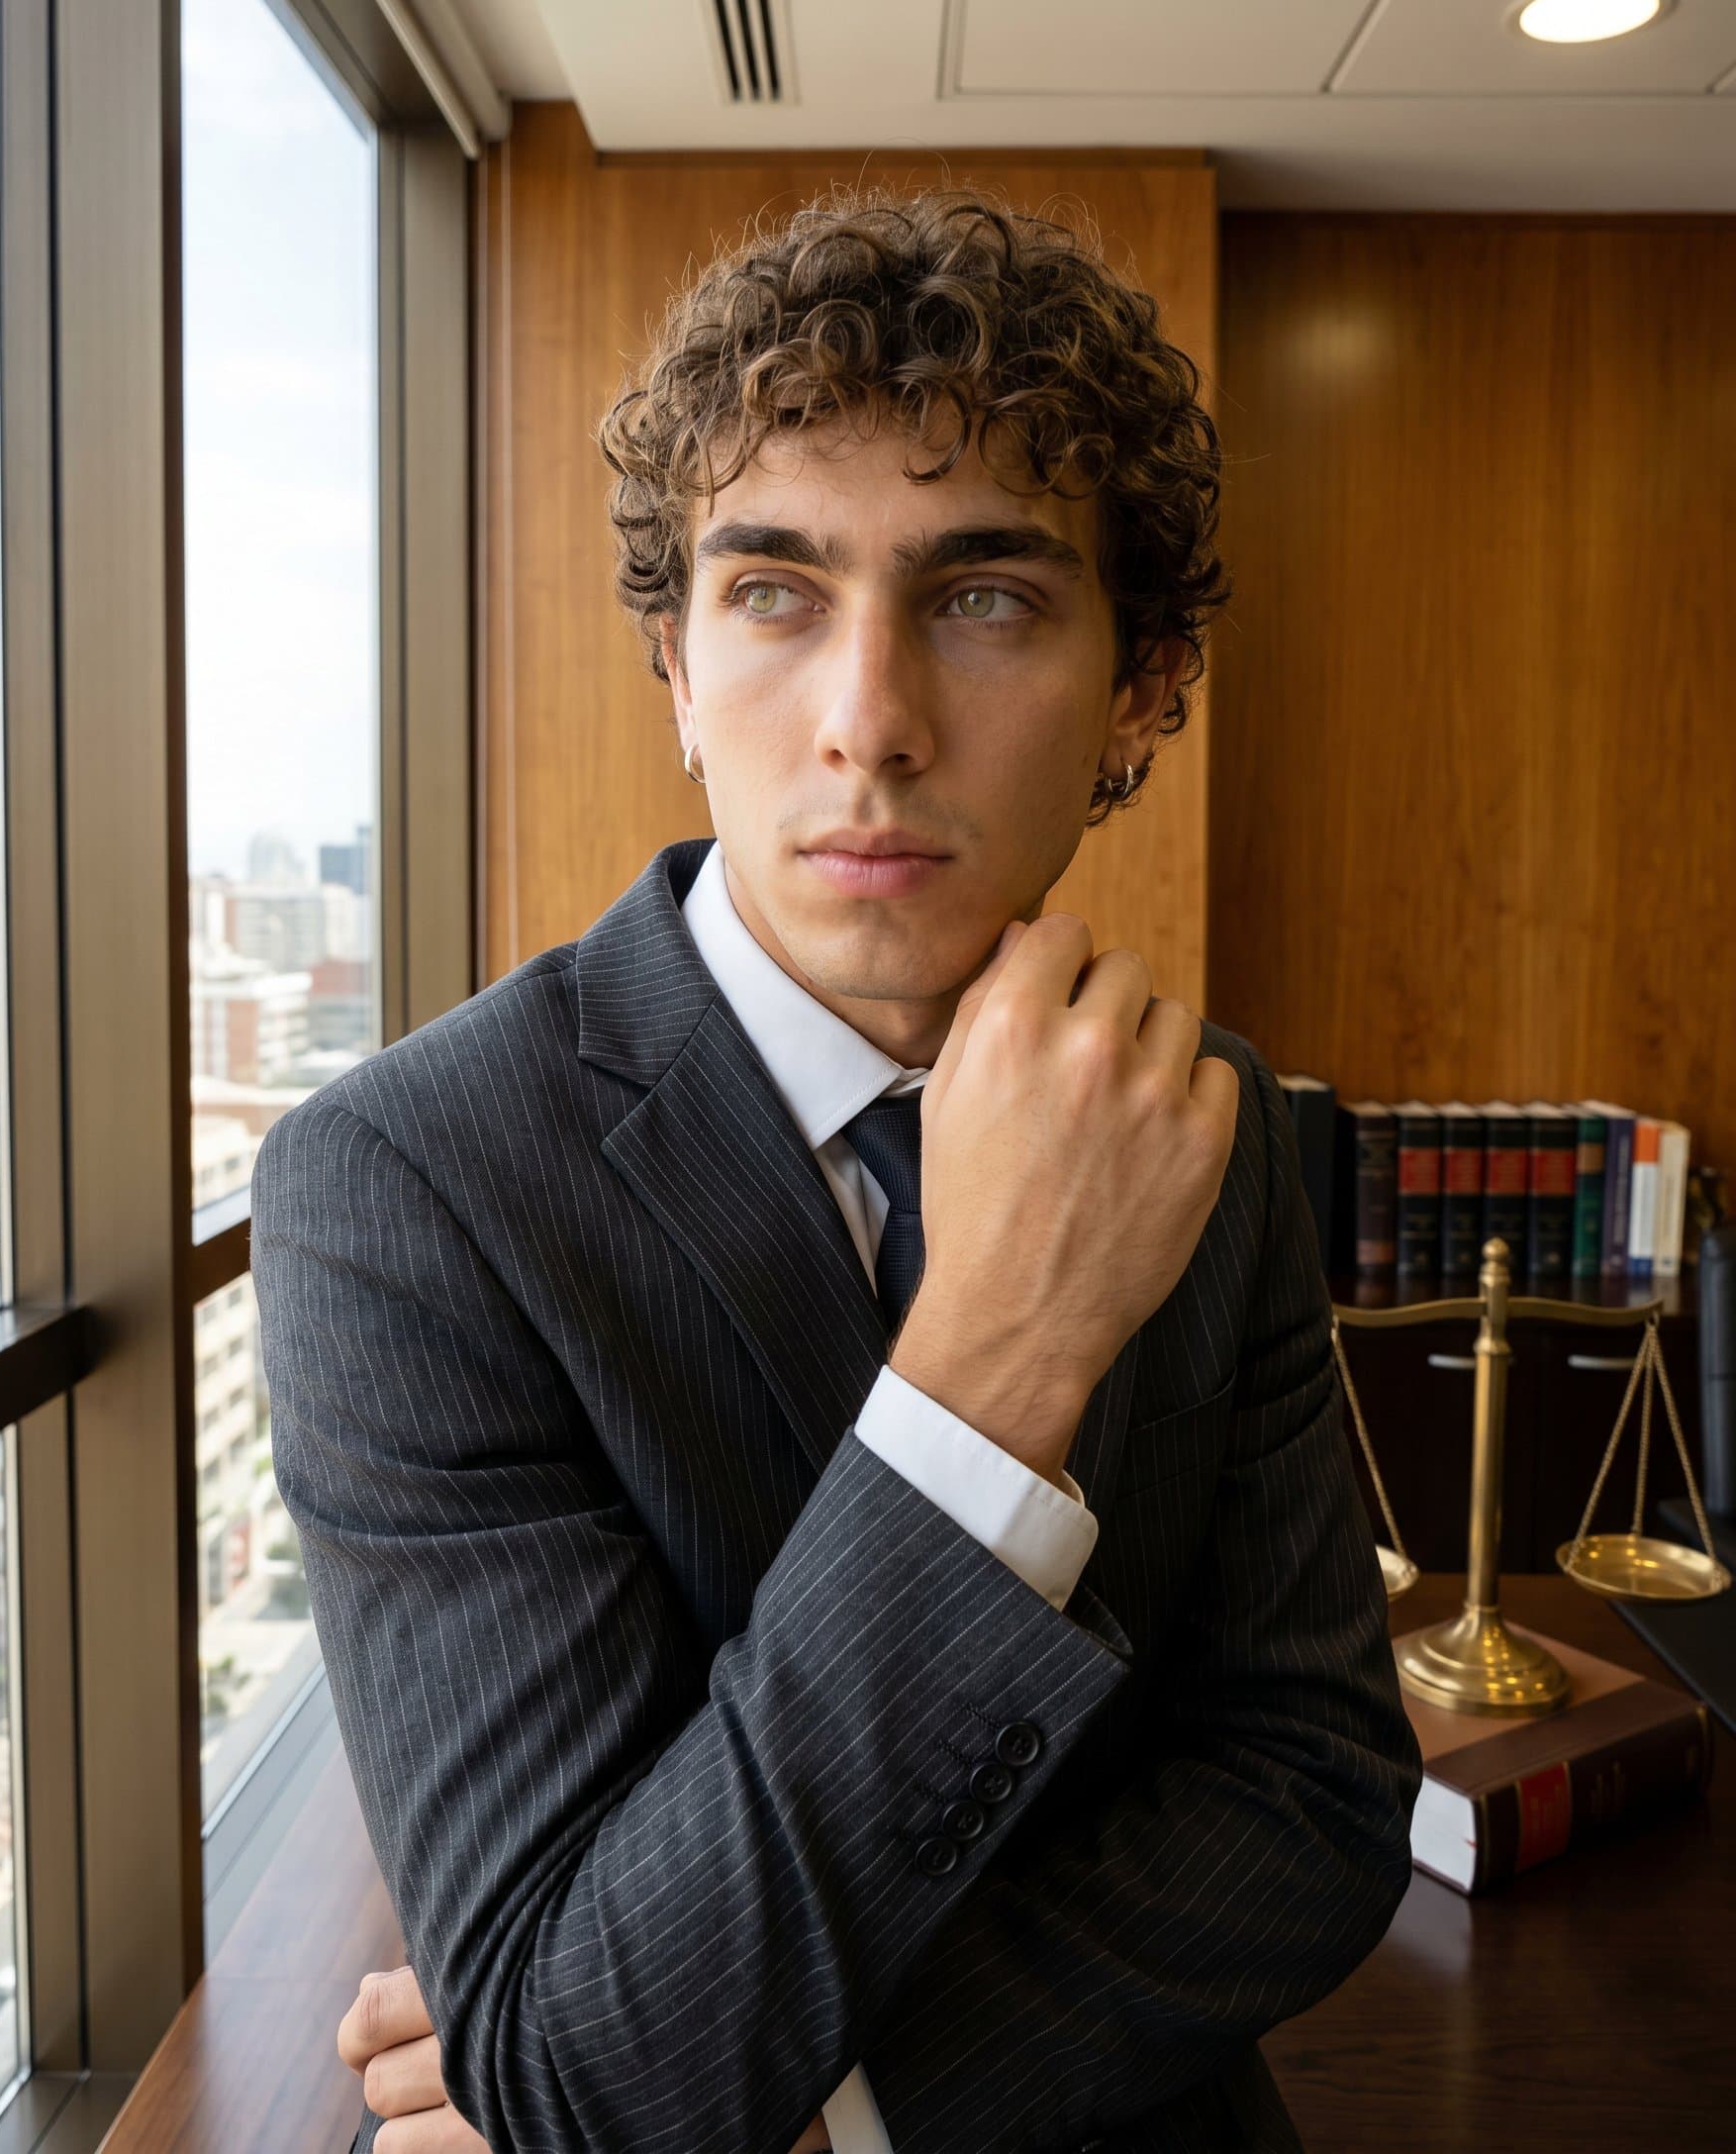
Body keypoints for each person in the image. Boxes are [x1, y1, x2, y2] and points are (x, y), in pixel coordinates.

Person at [251, 186, 1422, 2154]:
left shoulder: (1199, 1116)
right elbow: (583, 2060)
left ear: (1143, 685)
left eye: (984, 598)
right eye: (775, 594)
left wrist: (832, 2102)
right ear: (675, 666)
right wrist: (997, 1360)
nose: (868, 723)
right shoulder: (404, 1187)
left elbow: (1310, 1793)